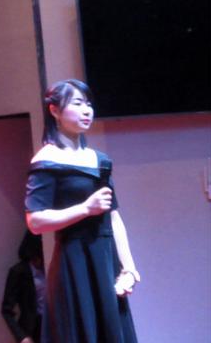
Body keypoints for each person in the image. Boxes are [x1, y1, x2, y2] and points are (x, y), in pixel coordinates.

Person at [25, 79, 139, 343]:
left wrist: (129, 269)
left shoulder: (99, 160)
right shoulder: (46, 160)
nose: (87, 110)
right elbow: (35, 221)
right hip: (75, 262)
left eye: (88, 104)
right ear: (54, 110)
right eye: (77, 104)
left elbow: (113, 216)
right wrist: (85, 209)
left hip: (106, 261)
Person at [1, 231, 45, 343]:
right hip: (31, 330)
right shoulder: (18, 272)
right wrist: (21, 336)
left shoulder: (49, 267)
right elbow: (6, 310)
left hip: (51, 325)